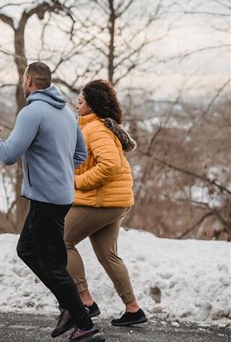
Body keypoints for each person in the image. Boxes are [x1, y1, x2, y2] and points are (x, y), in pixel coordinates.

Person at [0, 62, 105, 342]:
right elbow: (79, 154)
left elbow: (8, 155)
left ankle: (84, 324)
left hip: (46, 199)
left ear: (28, 82)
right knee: (26, 249)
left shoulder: (32, 112)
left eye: (23, 80)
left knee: (52, 264)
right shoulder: (66, 112)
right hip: (60, 197)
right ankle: (68, 305)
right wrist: (58, 170)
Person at [57, 79, 147, 332]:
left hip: (103, 201)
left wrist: (77, 182)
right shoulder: (94, 126)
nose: (77, 103)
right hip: (114, 201)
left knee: (62, 239)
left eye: (82, 100)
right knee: (108, 254)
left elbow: (110, 165)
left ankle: (85, 302)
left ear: (93, 103)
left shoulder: (96, 129)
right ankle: (133, 309)